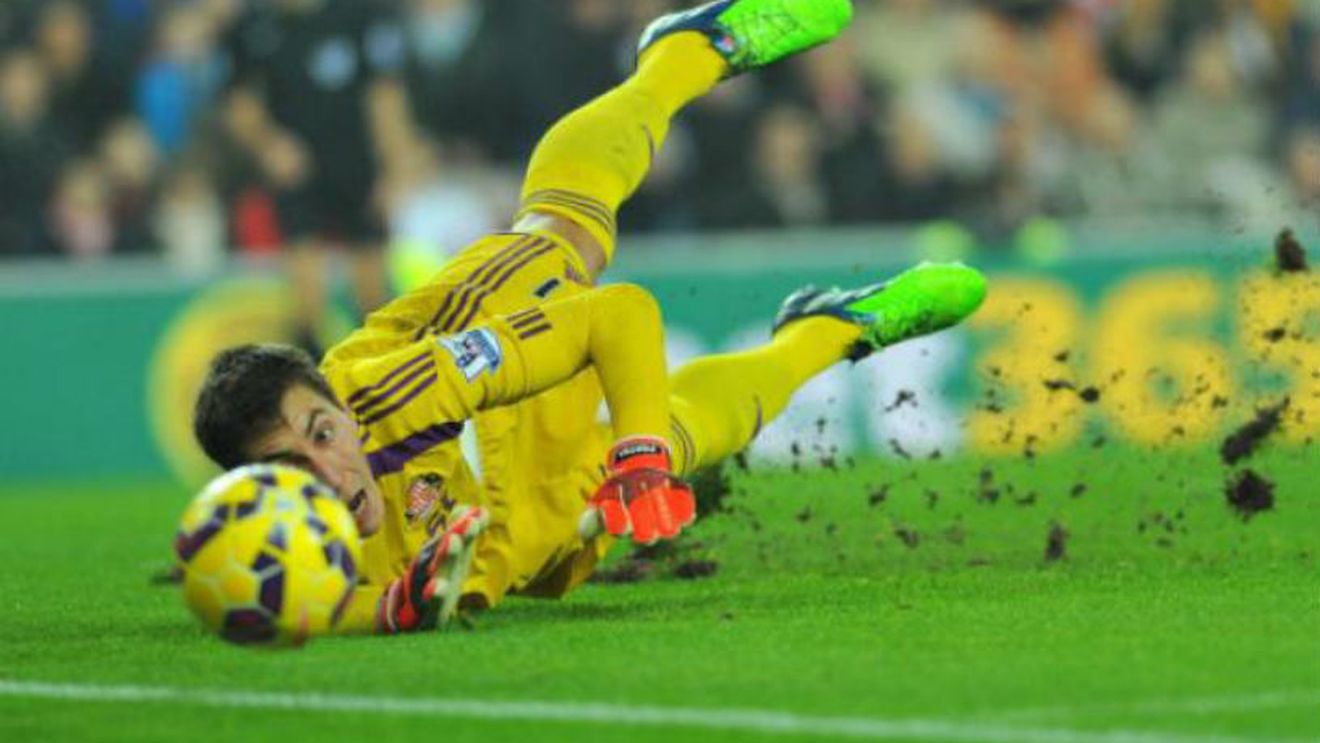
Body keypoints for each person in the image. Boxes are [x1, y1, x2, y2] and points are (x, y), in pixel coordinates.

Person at [192, 0, 987, 634]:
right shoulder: (273, 551)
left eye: (323, 434)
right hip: (500, 534)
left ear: (338, 405)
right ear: (256, 487)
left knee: (565, 241)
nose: (327, 471)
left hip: (456, 352)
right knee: (679, 442)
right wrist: (397, 607)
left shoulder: (397, 391)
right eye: (295, 468)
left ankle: (683, 53)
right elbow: (314, 607)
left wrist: (634, 454)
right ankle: (832, 328)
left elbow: (619, 317)